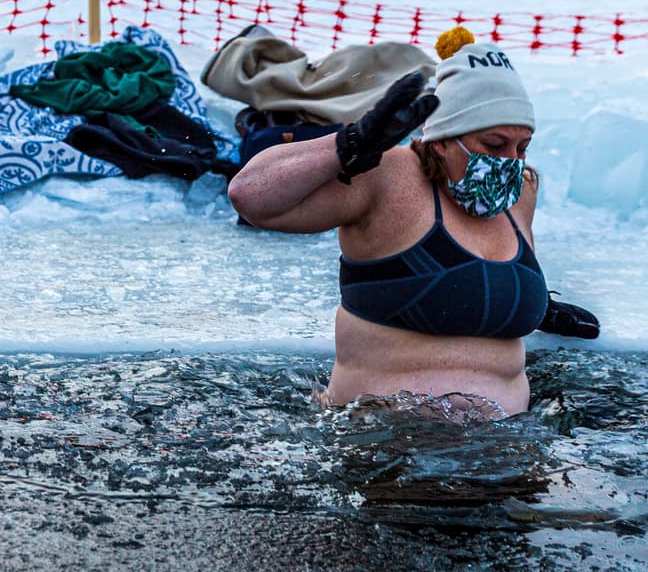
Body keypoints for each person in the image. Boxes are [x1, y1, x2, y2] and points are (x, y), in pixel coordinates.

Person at [228, 27, 595, 417]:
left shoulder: (518, 192)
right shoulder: (388, 175)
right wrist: (348, 144)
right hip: (388, 446)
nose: (510, 161)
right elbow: (251, 196)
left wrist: (535, 304)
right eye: (494, 145)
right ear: (442, 138)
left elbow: (478, 280)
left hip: (507, 446)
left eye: (522, 147)